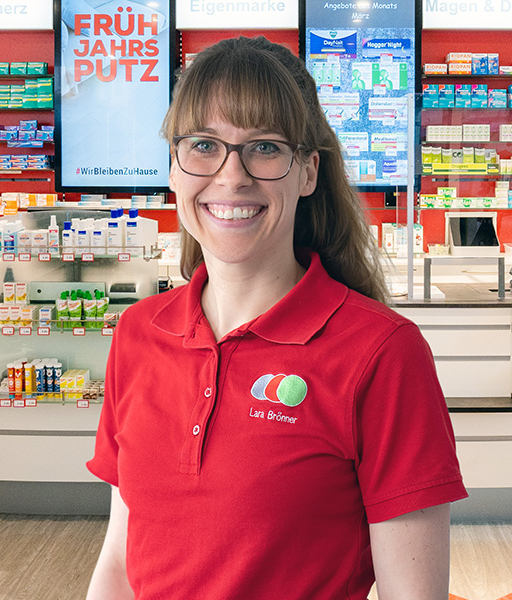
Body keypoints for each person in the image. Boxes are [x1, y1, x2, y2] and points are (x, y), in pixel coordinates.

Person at [85, 36, 467, 600]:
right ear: (173, 167)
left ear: (308, 172)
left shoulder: (382, 353)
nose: (231, 176)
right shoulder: (139, 333)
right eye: (203, 145)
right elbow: (120, 560)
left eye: (264, 147)